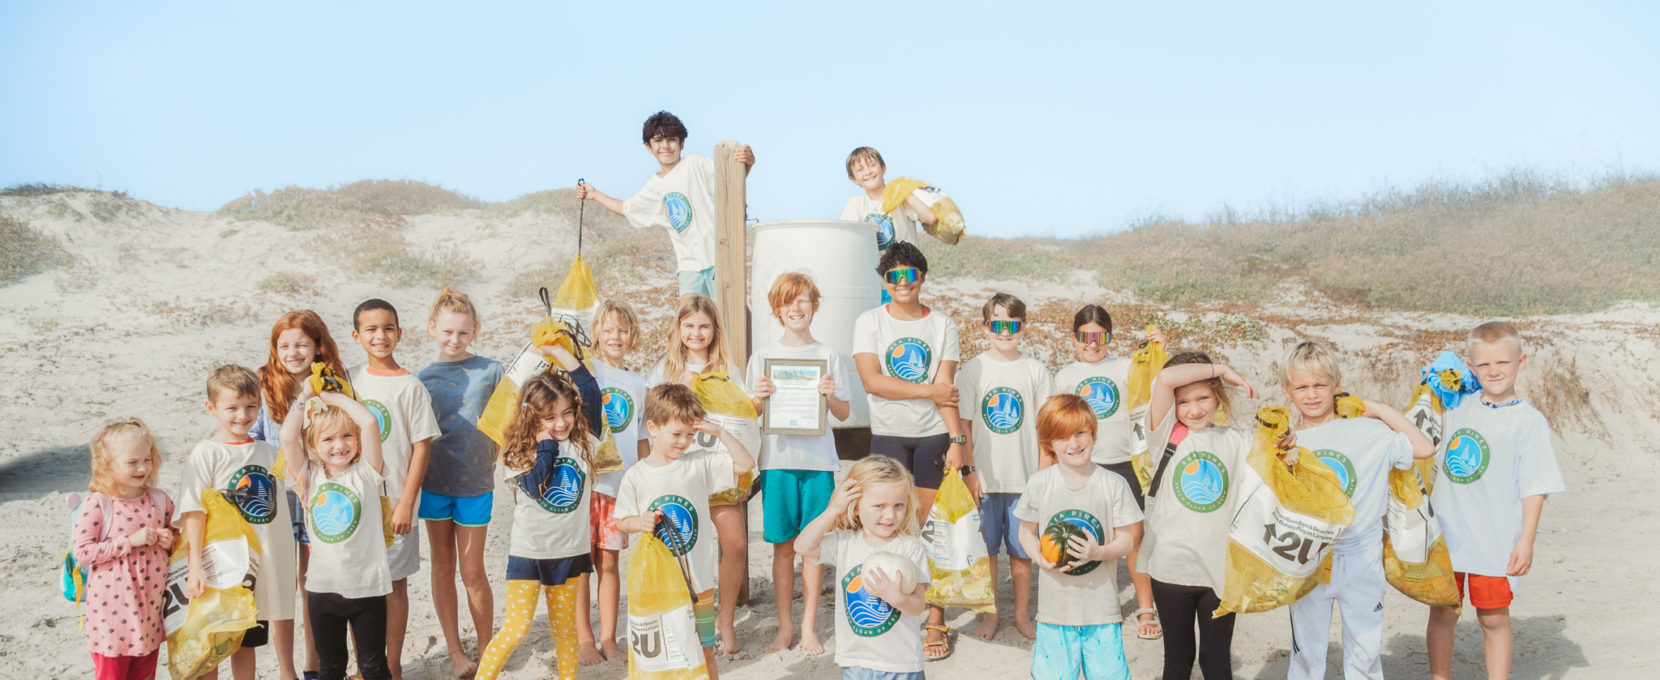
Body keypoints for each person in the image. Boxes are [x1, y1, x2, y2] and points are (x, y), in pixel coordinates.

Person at [1281, 340, 1434, 680]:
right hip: (1310, 558)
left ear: (1337, 385)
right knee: (1307, 654)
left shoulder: (1369, 431)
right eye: (1301, 387)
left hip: (1363, 557)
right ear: (1287, 391)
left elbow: (1424, 447)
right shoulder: (1288, 443)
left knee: (1365, 653)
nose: (1312, 394)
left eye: (1321, 385)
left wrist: (1379, 409)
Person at [1426, 322, 1564, 680]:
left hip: (1495, 538)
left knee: (1492, 618)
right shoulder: (1455, 407)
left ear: (1522, 361)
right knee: (1443, 613)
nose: (1494, 371)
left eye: (1503, 362)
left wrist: (1526, 540)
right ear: (1471, 367)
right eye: (1484, 365)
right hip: (1447, 535)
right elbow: (1425, 399)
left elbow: (1535, 485)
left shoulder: (1528, 421)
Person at [850, 240, 963, 660]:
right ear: (885, 281)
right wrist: (928, 389)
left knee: (930, 529)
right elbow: (872, 382)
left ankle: (935, 617)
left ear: (921, 278)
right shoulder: (869, 321)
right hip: (888, 435)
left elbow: (946, 392)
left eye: (909, 275)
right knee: (892, 525)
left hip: (933, 433)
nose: (902, 283)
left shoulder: (942, 324)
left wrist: (957, 441)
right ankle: (892, 605)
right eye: (893, 276)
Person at [614, 383, 757, 680]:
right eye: (676, 434)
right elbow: (621, 520)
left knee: (704, 651)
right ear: (652, 428)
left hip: (699, 583)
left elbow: (745, 463)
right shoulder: (636, 476)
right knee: (666, 658)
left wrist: (718, 432)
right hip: (659, 587)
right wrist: (637, 522)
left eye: (690, 435)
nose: (684, 442)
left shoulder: (698, 464)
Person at [474, 346, 600, 680]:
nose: (562, 423)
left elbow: (590, 391)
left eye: (567, 413)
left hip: (570, 554)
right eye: (550, 417)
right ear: (532, 417)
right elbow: (536, 485)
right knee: (515, 629)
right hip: (529, 554)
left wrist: (562, 353)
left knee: (565, 631)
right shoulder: (518, 453)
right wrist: (546, 446)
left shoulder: (584, 442)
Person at [746, 272, 853, 654]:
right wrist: (758, 398)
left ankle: (809, 627)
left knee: (814, 547)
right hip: (776, 463)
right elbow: (750, 415)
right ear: (777, 309)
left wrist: (830, 395)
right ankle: (785, 627)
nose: (796, 308)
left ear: (815, 306)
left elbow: (843, 412)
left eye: (804, 300)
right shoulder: (761, 358)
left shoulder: (828, 356)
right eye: (789, 302)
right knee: (782, 547)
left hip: (818, 462)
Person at [1136, 353, 1258, 680]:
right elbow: (1164, 380)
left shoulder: (1237, 440)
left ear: (1218, 395)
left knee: (1216, 660)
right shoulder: (1164, 435)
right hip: (1171, 568)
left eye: (1203, 397)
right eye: (1184, 401)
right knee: (1178, 658)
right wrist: (1223, 369)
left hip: (1220, 569)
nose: (1195, 409)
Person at [645, 294, 754, 653]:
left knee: (735, 543)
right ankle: (688, 617)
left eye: (704, 326)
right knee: (687, 547)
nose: (696, 333)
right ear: (678, 328)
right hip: (679, 469)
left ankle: (724, 617)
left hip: (718, 468)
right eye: (689, 326)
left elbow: (741, 413)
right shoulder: (665, 368)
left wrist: (759, 401)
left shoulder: (726, 367)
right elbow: (653, 421)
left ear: (714, 329)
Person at [176, 365, 298, 680]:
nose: (242, 415)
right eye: (231, 408)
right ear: (212, 408)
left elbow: (292, 481)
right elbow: (194, 510)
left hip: (257, 569)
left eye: (250, 407)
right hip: (220, 568)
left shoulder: (267, 450)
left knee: (247, 642)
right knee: (213, 642)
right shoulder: (206, 452)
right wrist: (194, 566)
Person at [1051, 304, 1164, 640]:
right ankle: (1093, 606)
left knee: (1134, 539)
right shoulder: (1065, 376)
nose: (1092, 343)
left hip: (1125, 463)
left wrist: (1159, 348)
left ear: (1110, 337)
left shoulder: (1128, 367)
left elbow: (1160, 385)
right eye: (1085, 336)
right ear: (1074, 338)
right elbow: (1058, 427)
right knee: (1088, 535)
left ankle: (1146, 607)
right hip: (1084, 467)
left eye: (1100, 335)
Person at [346, 299, 442, 680]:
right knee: (357, 588)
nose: (380, 336)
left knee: (394, 586)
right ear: (357, 336)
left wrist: (406, 503)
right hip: (355, 503)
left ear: (399, 334)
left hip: (395, 502)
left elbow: (422, 446)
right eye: (370, 329)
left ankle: (392, 664)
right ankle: (364, 666)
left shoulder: (410, 385)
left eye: (388, 328)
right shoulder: (348, 380)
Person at [250, 309, 348, 680]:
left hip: (319, 497)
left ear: (318, 346)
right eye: (284, 345)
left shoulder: (334, 381)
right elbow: (254, 442)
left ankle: (313, 664)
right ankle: (286, 671)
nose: (292, 352)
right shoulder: (263, 385)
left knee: (315, 583)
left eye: (301, 344)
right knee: (280, 585)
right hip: (275, 499)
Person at [1016, 394, 1142, 680]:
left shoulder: (1114, 484)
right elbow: (1025, 532)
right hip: (1054, 612)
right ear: (1049, 444)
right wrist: (1040, 557)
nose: (1073, 444)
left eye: (1080, 433)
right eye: (1062, 438)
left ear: (1093, 433)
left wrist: (1097, 553)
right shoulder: (1040, 483)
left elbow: (1128, 540)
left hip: (1101, 611)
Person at [954, 292, 1054, 641]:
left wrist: (1041, 478)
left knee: (1022, 552)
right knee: (987, 553)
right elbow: (964, 426)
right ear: (986, 327)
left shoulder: (1035, 370)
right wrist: (969, 472)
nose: (1004, 331)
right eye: (997, 324)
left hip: (1026, 479)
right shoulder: (973, 369)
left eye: (1011, 324)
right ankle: (991, 616)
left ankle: (1023, 616)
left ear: (1023, 327)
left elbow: (1046, 429)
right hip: (985, 479)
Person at [576, 110, 755, 304]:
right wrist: (594, 195)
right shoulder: (654, 186)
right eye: (658, 141)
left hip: (719, 257)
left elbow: (729, 184)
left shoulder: (695, 164)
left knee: (728, 313)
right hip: (688, 264)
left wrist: (748, 164)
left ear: (682, 143)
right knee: (688, 313)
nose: (665, 146)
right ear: (648, 147)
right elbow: (626, 209)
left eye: (671, 140)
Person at [415, 287, 503, 678]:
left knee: (472, 571)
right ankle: (454, 650)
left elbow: (508, 421)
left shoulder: (491, 370)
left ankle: (487, 648)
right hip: (433, 484)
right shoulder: (421, 379)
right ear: (433, 328)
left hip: (476, 486)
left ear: (475, 331)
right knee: (441, 566)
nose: (454, 340)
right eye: (447, 332)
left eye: (462, 333)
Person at [279, 386, 393, 680]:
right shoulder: (308, 477)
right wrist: (306, 397)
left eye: (346, 436)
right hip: (322, 588)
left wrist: (331, 398)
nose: (339, 445)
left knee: (374, 666)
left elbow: (368, 422)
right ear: (314, 447)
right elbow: (287, 437)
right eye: (327, 439)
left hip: (367, 586)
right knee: (330, 667)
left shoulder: (367, 473)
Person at [795, 456, 932, 680]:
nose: (890, 515)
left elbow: (917, 605)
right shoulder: (845, 543)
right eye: (879, 506)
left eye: (898, 505)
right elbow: (802, 546)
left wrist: (895, 597)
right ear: (856, 507)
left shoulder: (910, 549)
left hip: (901, 663)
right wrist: (835, 509)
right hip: (855, 661)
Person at [576, 299, 650, 664]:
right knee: (580, 564)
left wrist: (646, 481)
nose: (615, 336)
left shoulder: (638, 383)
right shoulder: (587, 372)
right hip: (585, 484)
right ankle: (584, 638)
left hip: (618, 488)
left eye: (622, 330)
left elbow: (641, 438)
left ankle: (608, 637)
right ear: (596, 334)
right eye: (608, 330)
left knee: (608, 563)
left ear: (632, 335)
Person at [74, 418, 174, 680]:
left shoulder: (160, 499)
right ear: (107, 465)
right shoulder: (99, 503)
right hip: (111, 618)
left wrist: (170, 541)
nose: (142, 467)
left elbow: (179, 540)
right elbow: (82, 553)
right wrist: (128, 542)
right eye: (132, 462)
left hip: (149, 614)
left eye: (147, 459)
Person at [840, 147, 941, 303]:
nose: (867, 172)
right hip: (871, 284)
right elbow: (848, 243)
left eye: (872, 165)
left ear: (883, 168)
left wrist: (905, 192)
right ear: (854, 179)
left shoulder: (901, 199)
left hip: (903, 280)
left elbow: (931, 218)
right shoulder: (855, 205)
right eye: (860, 169)